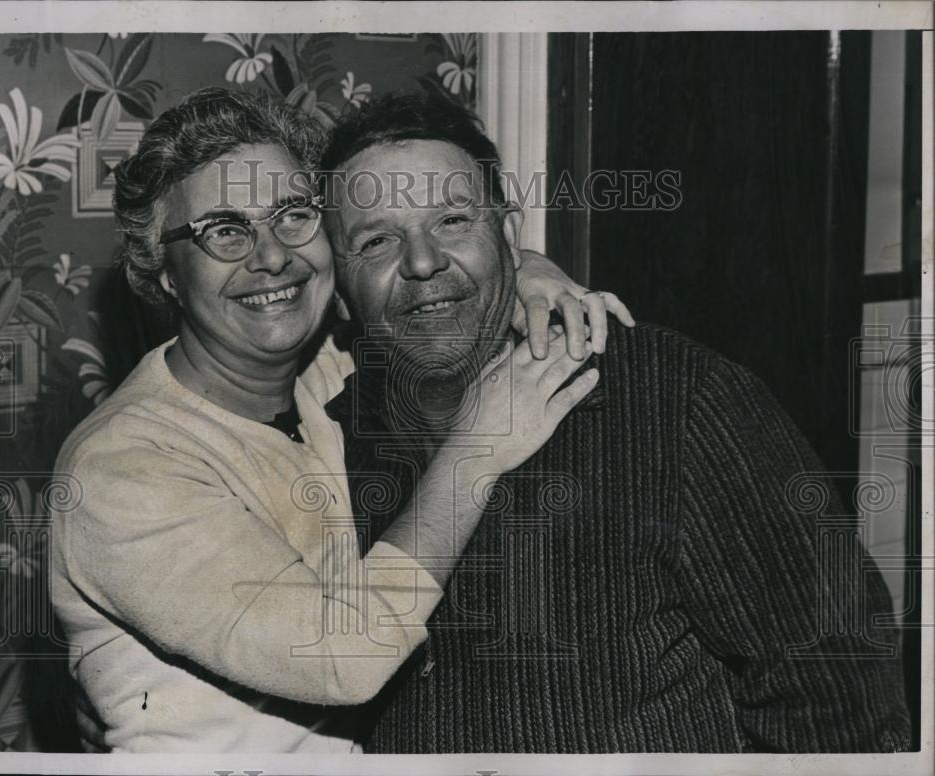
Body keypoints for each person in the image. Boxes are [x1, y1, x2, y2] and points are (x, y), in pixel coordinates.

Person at [318, 92, 913, 753]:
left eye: (454, 221)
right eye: (376, 240)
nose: (423, 262)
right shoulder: (323, 447)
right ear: (338, 284)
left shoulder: (675, 400)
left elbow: (837, 693)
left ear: (509, 236)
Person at [49, 87, 630, 753]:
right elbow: (342, 657)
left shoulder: (325, 375)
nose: (269, 256)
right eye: (224, 230)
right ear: (165, 273)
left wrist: (528, 272)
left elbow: (427, 272)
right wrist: (476, 449)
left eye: (292, 216)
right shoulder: (121, 468)